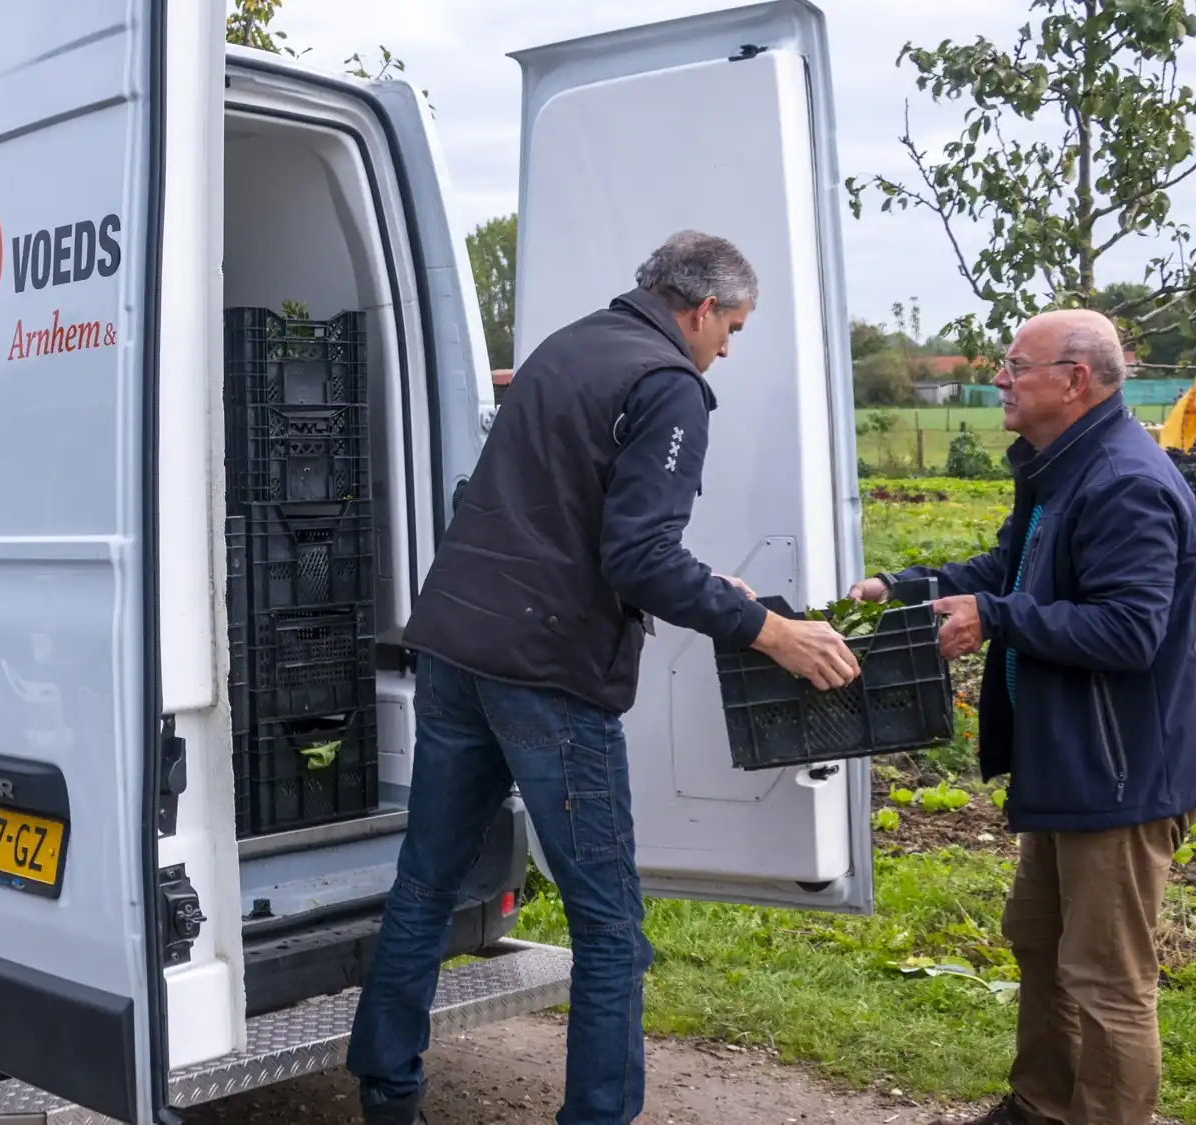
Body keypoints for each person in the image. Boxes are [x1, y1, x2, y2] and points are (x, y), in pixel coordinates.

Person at [345, 230, 860, 1125]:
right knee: (610, 927)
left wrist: (709, 584)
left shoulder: (569, 344)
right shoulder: (669, 385)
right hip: (544, 675)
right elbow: (639, 559)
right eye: (732, 327)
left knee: (425, 882)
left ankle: (387, 1095)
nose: (729, 347)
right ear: (699, 310)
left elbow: (561, 513)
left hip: (458, 647)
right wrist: (770, 630)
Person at [852, 308, 1196, 1125]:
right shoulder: (1059, 467)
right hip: (1074, 757)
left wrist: (998, 618)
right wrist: (906, 585)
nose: (1000, 377)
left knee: (1106, 978)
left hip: (1126, 769)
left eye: (1015, 365)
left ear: (1075, 379)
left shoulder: (1125, 481)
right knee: (1037, 938)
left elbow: (1130, 630)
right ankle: (1041, 1106)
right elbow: (1008, 567)